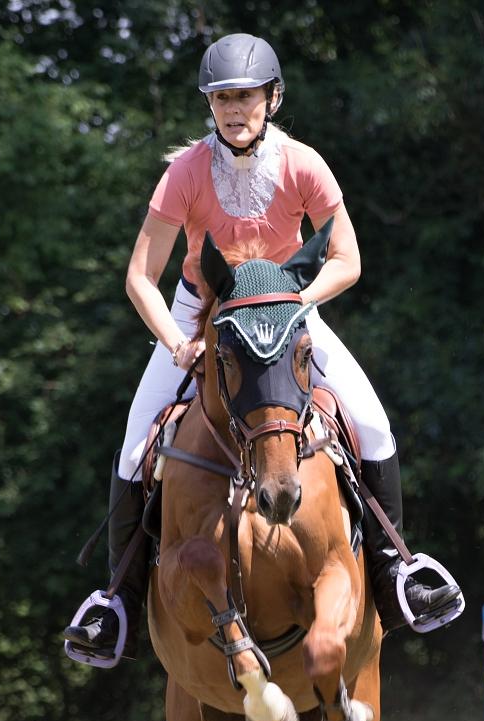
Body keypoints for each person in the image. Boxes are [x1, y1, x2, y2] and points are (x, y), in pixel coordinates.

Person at [66, 33, 462, 661]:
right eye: (222, 98)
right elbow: (140, 277)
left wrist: (295, 305)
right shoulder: (185, 172)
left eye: (245, 96)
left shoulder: (304, 164)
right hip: (201, 311)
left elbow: (347, 260)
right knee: (137, 445)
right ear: (210, 104)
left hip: (285, 309)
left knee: (372, 424)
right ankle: (116, 602)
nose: (234, 109)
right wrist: (177, 343)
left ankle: (395, 573)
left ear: (272, 99)